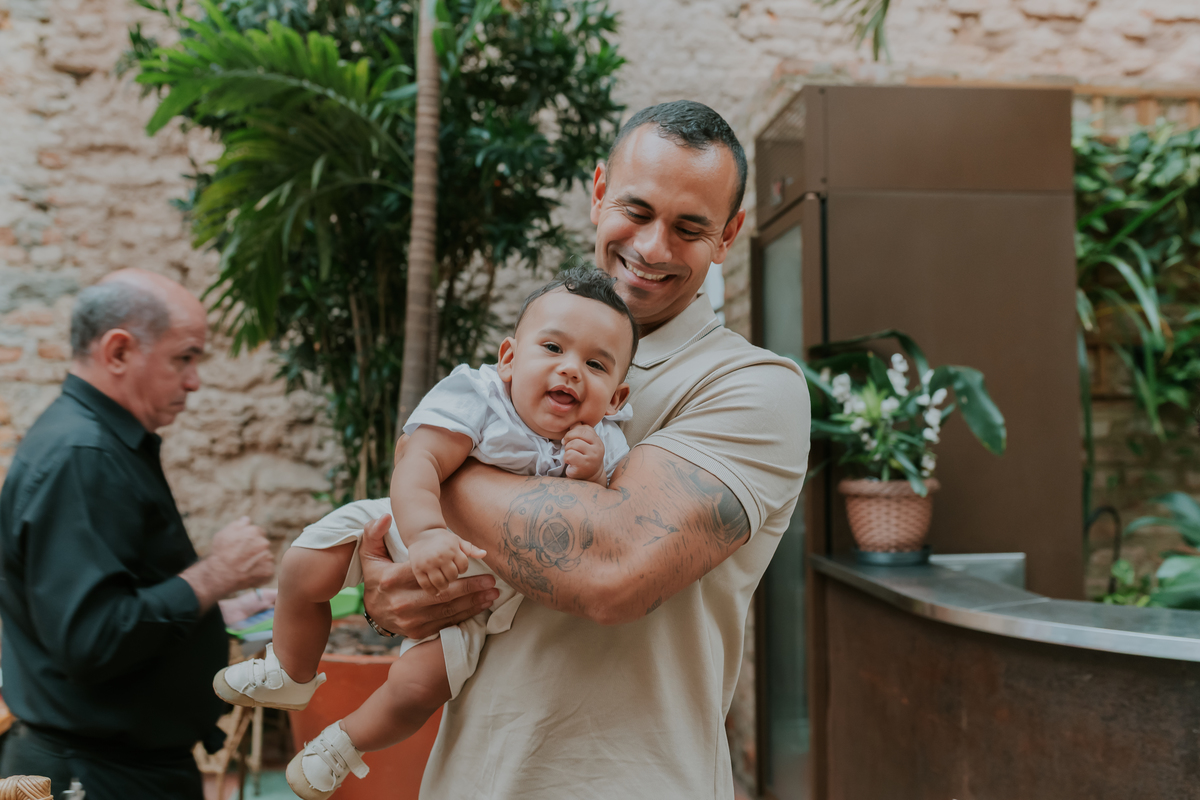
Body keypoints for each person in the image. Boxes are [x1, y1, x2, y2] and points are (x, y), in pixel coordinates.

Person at [358, 100, 812, 799]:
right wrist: (393, 599)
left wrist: (434, 469)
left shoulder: (754, 387)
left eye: (690, 228)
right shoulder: (540, 354)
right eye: (637, 210)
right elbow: (428, 568)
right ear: (598, 192)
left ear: (728, 236)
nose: (653, 248)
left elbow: (613, 569)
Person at [214, 268, 638, 799]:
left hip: (481, 594)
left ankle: (344, 744)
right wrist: (428, 533)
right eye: (552, 347)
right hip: (409, 525)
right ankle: (290, 672)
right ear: (509, 358)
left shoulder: (606, 443)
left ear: (616, 397)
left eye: (596, 365)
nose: (571, 369)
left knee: (419, 688)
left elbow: (596, 531)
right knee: (304, 563)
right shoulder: (481, 397)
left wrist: (592, 477)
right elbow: (419, 461)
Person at [0, 270, 276, 800]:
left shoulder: (98, 443)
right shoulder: (83, 457)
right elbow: (93, 639)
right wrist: (216, 574)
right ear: (119, 352)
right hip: (97, 777)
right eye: (184, 358)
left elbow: (118, 596)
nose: (194, 381)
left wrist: (215, 610)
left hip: (123, 770)